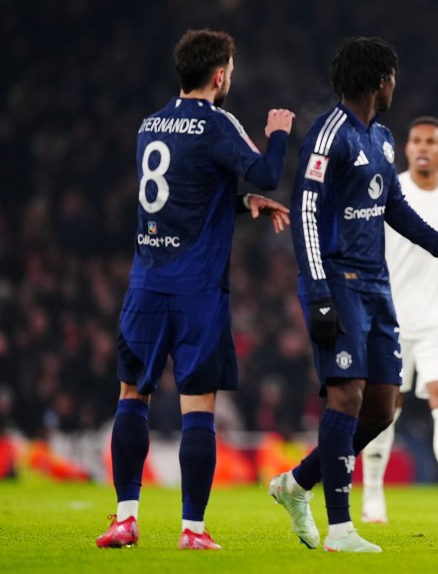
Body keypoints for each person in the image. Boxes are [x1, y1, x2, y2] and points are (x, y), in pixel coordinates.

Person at [268, 37, 438, 553]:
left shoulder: (381, 138)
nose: (395, 86)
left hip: (378, 286)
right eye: (393, 77)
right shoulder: (329, 133)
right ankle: (340, 528)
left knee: (383, 407)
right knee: (347, 394)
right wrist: (317, 291)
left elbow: (395, 209)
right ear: (381, 80)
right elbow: (306, 214)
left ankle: (296, 485)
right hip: (337, 281)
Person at [96, 29, 295, 550]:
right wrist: (278, 132)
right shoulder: (217, 122)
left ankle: (124, 518)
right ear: (219, 75)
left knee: (131, 396)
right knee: (197, 408)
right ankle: (192, 529)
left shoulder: (150, 125)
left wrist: (240, 203)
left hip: (145, 282)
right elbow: (269, 173)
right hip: (197, 288)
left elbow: (179, 196)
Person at [360, 116, 438, 526]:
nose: (424, 148)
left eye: (432, 141)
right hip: (390, 315)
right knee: (385, 405)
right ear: (407, 148)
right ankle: (373, 497)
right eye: (417, 141)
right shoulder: (387, 190)